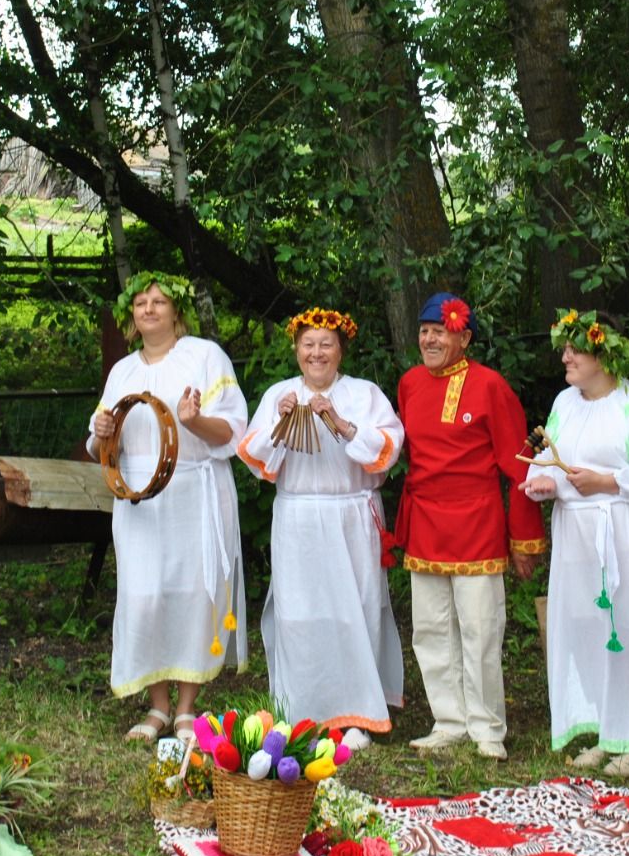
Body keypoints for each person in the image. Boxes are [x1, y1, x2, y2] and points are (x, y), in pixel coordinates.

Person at [519, 310, 629, 777]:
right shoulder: (565, 403)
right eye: (564, 348)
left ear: (606, 353)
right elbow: (548, 455)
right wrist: (543, 482)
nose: (565, 357)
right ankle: (606, 729)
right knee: (589, 626)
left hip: (628, 531)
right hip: (577, 532)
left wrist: (607, 481)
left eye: (576, 349)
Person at [87, 272, 248, 744]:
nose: (150, 309)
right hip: (138, 500)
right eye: (141, 303)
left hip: (194, 493)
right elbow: (102, 446)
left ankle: (184, 710)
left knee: (191, 595)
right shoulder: (123, 371)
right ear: (131, 318)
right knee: (144, 595)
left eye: (160, 301)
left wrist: (195, 420)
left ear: (177, 311)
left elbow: (233, 434)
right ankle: (155, 707)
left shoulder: (203, 356)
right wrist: (99, 431)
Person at [238, 307, 404, 748]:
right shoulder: (280, 394)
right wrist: (281, 421)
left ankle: (359, 715)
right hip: (298, 518)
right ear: (296, 350)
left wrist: (340, 423)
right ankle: (301, 709)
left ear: (340, 351)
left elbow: (387, 452)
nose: (316, 353)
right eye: (308, 345)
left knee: (357, 609)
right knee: (299, 613)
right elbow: (256, 460)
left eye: (325, 345)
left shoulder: (364, 394)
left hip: (350, 514)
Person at [395, 291, 545, 761]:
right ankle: (448, 720)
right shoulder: (410, 383)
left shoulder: (490, 386)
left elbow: (519, 466)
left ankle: (486, 728)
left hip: (477, 522)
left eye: (439, 331)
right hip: (426, 522)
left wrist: (523, 538)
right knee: (430, 628)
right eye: (424, 331)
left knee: (481, 628)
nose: (429, 339)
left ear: (464, 337)